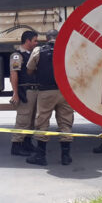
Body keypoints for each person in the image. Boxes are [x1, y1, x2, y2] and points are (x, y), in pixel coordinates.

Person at [25, 29, 75, 166]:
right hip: (65, 92)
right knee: (65, 123)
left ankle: (40, 156)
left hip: (46, 92)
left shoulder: (38, 51)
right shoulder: (67, 50)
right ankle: (66, 156)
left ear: (47, 39)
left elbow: (29, 70)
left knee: (42, 122)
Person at [9, 30, 40, 156]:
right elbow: (13, 74)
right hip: (25, 91)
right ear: (27, 41)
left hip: (34, 90)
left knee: (32, 120)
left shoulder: (31, 54)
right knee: (23, 119)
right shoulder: (17, 56)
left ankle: (27, 143)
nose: (37, 43)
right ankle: (16, 145)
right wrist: (15, 93)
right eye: (35, 40)